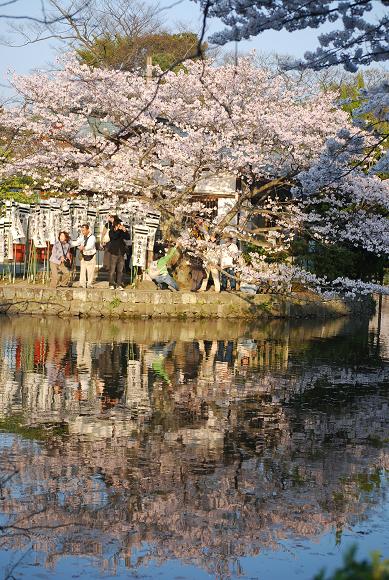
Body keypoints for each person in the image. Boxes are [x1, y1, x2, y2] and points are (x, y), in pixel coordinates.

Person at [71, 223, 96, 288]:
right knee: (82, 270)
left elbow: (90, 246)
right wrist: (69, 243)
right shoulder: (82, 237)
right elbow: (77, 242)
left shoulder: (92, 237)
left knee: (90, 271)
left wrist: (84, 248)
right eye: (82, 231)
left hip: (91, 255)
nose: (83, 232)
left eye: (84, 230)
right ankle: (82, 284)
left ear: (88, 230)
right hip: (83, 255)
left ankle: (89, 284)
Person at [108, 217, 131, 289]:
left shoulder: (121, 232)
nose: (120, 225)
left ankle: (119, 284)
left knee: (120, 270)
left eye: (120, 224)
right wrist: (118, 230)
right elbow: (114, 237)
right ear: (115, 224)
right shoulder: (111, 231)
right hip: (114, 253)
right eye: (118, 224)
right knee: (112, 270)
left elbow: (128, 237)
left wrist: (125, 231)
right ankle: (111, 284)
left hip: (121, 253)